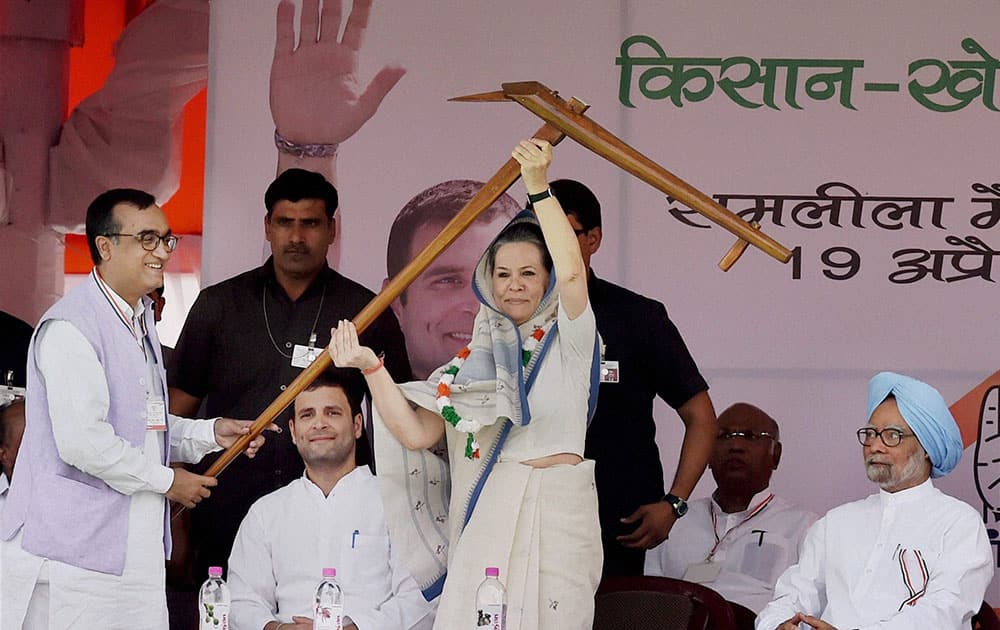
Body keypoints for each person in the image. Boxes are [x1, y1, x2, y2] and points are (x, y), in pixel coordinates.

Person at [329, 139, 602, 629]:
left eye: (528, 273)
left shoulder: (572, 339)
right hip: (489, 518)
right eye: (502, 274)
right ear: (487, 282)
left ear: (546, 281)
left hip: (559, 515)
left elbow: (575, 274)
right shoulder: (467, 369)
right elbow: (414, 435)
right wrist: (372, 367)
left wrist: (538, 188)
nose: (514, 284)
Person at [0, 189, 271, 630]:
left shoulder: (137, 319)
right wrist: (169, 482)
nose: (162, 251)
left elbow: (143, 427)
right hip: (74, 558)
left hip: (129, 554)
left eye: (166, 239)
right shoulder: (72, 327)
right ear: (105, 246)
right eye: (147, 238)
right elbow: (84, 444)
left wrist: (212, 433)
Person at [167, 168, 411, 582]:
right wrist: (174, 509)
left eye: (311, 224)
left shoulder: (366, 310)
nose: (296, 237)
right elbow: (177, 413)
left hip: (338, 510)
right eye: (285, 223)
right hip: (228, 504)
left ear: (332, 230)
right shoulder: (218, 305)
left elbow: (400, 413)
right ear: (267, 226)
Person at [549, 178, 718, 577]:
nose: (548, 246)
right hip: (535, 518)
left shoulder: (638, 317)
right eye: (537, 233)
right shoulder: (512, 320)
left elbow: (701, 416)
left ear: (594, 238)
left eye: (563, 233)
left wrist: (674, 504)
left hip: (618, 524)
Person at [756, 372, 994, 630]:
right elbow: (791, 596)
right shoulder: (835, 523)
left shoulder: (959, 523)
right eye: (870, 433)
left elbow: (943, 612)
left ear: (926, 447)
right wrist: (777, 625)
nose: (874, 446)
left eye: (892, 435)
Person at [228, 371, 434, 630]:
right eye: (307, 415)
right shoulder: (266, 512)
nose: (319, 424)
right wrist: (277, 628)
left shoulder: (396, 502)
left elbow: (422, 597)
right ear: (293, 432)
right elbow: (241, 601)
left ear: (357, 425)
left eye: (332, 412)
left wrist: (353, 629)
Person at [644, 403, 817, 612]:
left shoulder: (804, 526)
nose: (735, 445)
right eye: (724, 436)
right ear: (705, 453)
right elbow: (648, 604)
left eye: (750, 436)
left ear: (776, 454)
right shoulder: (673, 521)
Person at [385, 180, 520, 379]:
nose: (477, 306)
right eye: (449, 280)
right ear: (396, 301)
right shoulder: (353, 400)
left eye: (499, 277)